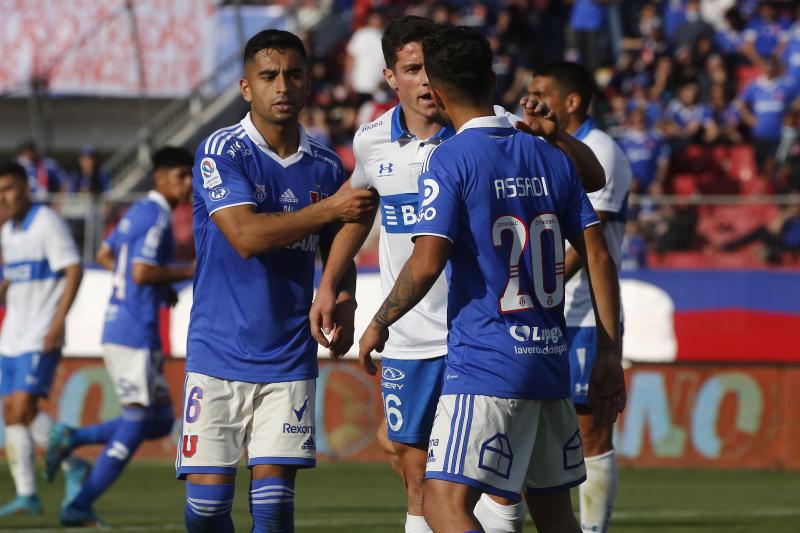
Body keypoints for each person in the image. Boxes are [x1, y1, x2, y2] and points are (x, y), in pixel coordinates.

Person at [310, 16, 605, 533]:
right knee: (417, 471)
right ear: (390, 76)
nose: (423, 80)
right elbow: (360, 212)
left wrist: (376, 319)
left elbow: (428, 260)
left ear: (446, 84)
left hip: (479, 341)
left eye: (430, 69)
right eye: (411, 69)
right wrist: (330, 284)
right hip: (430, 339)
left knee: (465, 494)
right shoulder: (371, 141)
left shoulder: (500, 136)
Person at [176, 29, 377, 533]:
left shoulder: (327, 165)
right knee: (205, 513)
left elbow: (338, 248)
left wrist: (344, 295)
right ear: (247, 87)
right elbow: (244, 235)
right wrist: (330, 208)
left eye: (293, 74)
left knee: (272, 509)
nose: (281, 85)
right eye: (268, 76)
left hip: (288, 356)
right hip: (217, 353)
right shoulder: (222, 150)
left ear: (308, 83)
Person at [45, 147, 195, 526]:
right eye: (180, 174)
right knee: (137, 419)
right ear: (159, 178)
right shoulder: (158, 217)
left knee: (159, 421)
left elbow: (108, 255)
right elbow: (142, 271)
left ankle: (72, 437)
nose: (188, 182)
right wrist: (190, 268)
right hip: (134, 331)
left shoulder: (137, 212)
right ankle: (80, 503)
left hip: (123, 325)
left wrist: (153, 287)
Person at [528, 61, 633, 533]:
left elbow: (589, 242)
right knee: (543, 431)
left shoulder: (601, 151)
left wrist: (536, 284)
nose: (530, 100)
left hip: (588, 313)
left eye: (541, 90)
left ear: (571, 101)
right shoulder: (538, 148)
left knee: (591, 429)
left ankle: (593, 529)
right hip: (549, 312)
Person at [0, 161, 83, 516]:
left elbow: (73, 269)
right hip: (11, 336)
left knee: (22, 408)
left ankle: (72, 463)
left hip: (40, 333)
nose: (3, 197)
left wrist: (59, 322)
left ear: (25, 188)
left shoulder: (46, 223)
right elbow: (13, 278)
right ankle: (30, 492)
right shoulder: (9, 231)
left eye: (9, 188)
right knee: (12, 414)